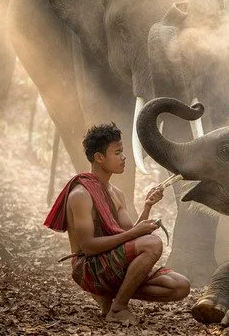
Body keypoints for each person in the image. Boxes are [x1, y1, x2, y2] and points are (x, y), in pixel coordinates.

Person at [44, 123, 190, 325]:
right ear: (99, 158)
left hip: (113, 263)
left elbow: (130, 234)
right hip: (89, 268)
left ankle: (110, 298)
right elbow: (88, 247)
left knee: (180, 286)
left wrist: (147, 206)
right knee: (153, 243)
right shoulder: (81, 194)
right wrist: (136, 233)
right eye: (118, 152)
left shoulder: (116, 193)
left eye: (123, 152)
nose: (124, 158)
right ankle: (118, 308)